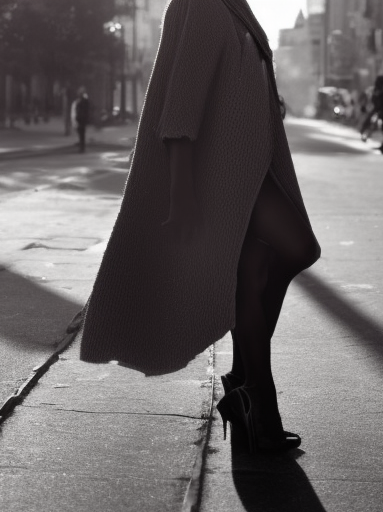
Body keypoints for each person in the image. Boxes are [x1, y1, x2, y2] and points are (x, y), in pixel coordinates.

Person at [79, 0, 320, 454]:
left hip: (247, 168)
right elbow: (181, 106)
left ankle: (248, 392)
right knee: (296, 248)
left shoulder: (235, 9)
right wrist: (182, 194)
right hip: (220, 176)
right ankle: (254, 396)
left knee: (258, 272)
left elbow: (231, 77)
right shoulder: (205, 5)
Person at [73, 87, 90, 153]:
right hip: (81, 119)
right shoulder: (82, 100)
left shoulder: (83, 100)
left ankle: (82, 148)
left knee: (81, 134)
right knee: (81, 134)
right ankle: (82, 147)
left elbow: (81, 109)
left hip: (82, 119)